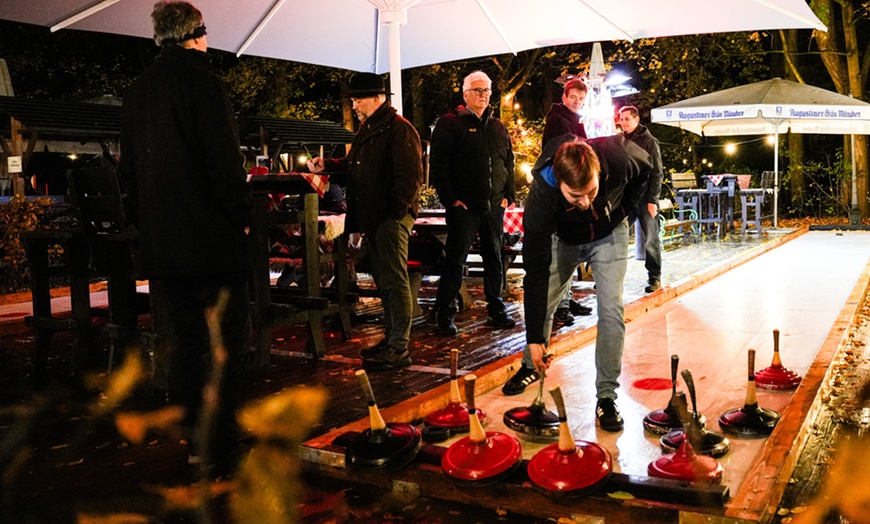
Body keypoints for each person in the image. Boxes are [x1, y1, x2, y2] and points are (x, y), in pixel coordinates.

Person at [118, 1, 252, 473]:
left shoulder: (137, 93)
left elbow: (128, 175)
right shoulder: (206, 84)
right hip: (211, 243)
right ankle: (219, 445)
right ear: (197, 34)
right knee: (226, 343)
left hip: (164, 247)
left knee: (185, 341)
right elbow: (224, 166)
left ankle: (195, 441)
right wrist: (243, 216)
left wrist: (147, 225)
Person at [501, 134, 653, 433]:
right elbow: (535, 270)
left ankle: (607, 396)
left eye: (591, 191)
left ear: (599, 173)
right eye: (575, 196)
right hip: (565, 239)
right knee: (545, 298)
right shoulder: (542, 196)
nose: (585, 202)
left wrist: (625, 210)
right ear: (559, 184)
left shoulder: (619, 156)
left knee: (610, 310)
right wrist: (534, 337)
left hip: (609, 235)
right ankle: (531, 365)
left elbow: (647, 168)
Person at [308, 73, 423, 371]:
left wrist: (395, 213)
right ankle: (392, 340)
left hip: (388, 217)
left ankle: (399, 347)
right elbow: (354, 165)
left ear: (376, 97)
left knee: (394, 280)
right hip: (377, 216)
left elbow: (410, 177)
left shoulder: (399, 130)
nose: (355, 105)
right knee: (385, 280)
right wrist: (329, 166)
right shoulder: (369, 129)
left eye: (358, 100)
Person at [429, 70, 516, 336]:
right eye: (478, 90)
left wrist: (507, 196)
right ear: (465, 93)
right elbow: (439, 165)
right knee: (456, 260)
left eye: (487, 90)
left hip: (493, 207)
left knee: (494, 259)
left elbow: (508, 162)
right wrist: (451, 199)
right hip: (464, 208)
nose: (483, 95)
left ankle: (496, 309)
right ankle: (445, 313)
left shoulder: (497, 126)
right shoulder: (449, 124)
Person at [541, 78, 594, 326]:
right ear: (564, 97)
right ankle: (560, 306)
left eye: (581, 99)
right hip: (559, 191)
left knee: (568, 247)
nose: (577, 102)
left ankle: (566, 298)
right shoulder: (558, 122)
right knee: (559, 250)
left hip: (569, 191)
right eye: (573, 97)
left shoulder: (573, 122)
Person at [618, 105, 664, 293]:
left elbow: (657, 171)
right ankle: (612, 277)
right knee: (617, 236)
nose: (623, 123)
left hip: (645, 198)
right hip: (627, 199)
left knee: (650, 240)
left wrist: (653, 199)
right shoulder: (620, 140)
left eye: (627, 119)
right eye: (621, 119)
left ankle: (654, 277)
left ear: (636, 120)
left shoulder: (649, 141)